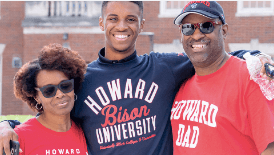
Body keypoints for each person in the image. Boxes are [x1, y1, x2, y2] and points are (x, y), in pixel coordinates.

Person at [0, 1, 270, 155]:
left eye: (131, 19)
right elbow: (49, 115)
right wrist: (7, 124)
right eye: (113, 18)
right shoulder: (83, 81)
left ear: (141, 25)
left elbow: (207, 53)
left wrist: (254, 55)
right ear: (101, 23)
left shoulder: (164, 68)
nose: (121, 26)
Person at [170, 1, 274, 154]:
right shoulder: (180, 81)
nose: (196, 35)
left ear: (224, 30)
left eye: (207, 26)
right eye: (188, 28)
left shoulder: (252, 78)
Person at [12, 43, 88, 155]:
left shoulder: (87, 132)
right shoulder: (19, 137)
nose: (60, 94)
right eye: (49, 90)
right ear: (36, 96)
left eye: (65, 86)